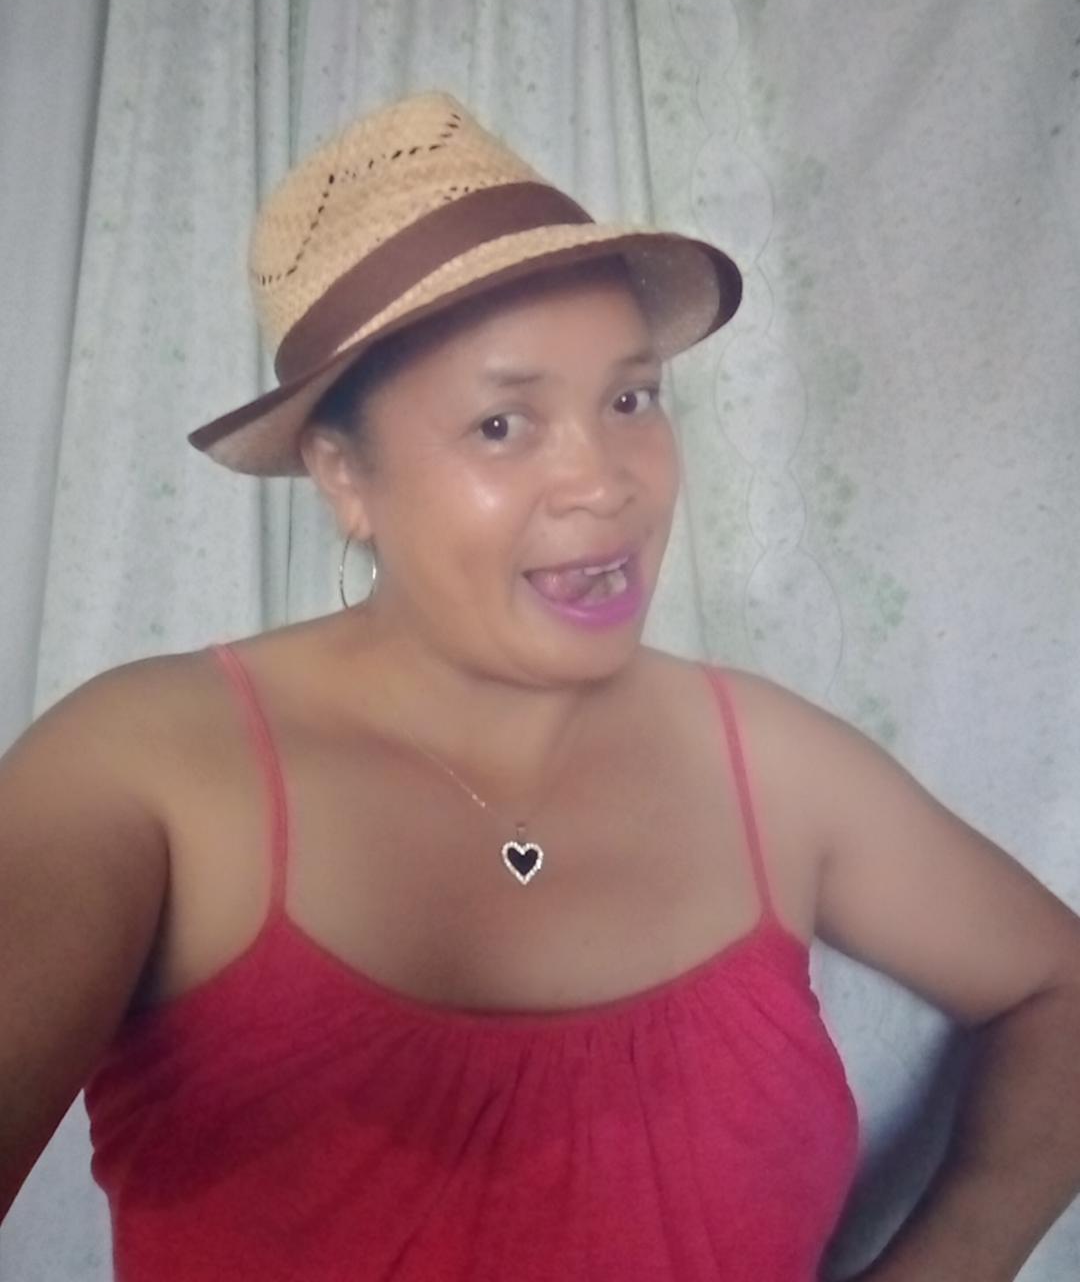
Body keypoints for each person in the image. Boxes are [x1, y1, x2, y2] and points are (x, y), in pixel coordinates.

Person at [1, 92, 1078, 1282]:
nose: (604, 482)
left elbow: (1059, 987)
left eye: (630, 399)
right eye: (504, 423)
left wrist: (950, 1261)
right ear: (344, 475)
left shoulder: (771, 766)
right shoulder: (146, 772)